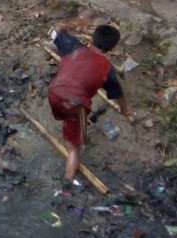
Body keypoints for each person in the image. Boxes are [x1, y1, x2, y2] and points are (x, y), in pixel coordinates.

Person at [47, 18, 132, 188]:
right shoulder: (107, 68)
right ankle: (68, 184)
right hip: (75, 105)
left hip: (53, 94)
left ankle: (77, 131)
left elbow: (58, 27)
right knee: (73, 148)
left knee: (70, 120)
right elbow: (118, 94)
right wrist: (124, 110)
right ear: (113, 49)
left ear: (91, 39)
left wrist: (77, 24)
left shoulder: (72, 46)